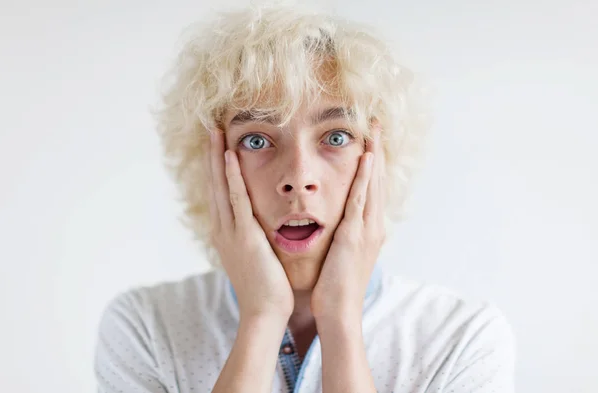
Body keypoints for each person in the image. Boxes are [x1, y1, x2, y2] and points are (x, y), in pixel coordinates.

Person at [94, 4, 516, 393]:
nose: (298, 178)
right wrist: (261, 320)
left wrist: (340, 323)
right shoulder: (146, 327)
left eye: (336, 136)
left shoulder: (461, 338)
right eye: (256, 139)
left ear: (380, 159)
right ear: (209, 165)